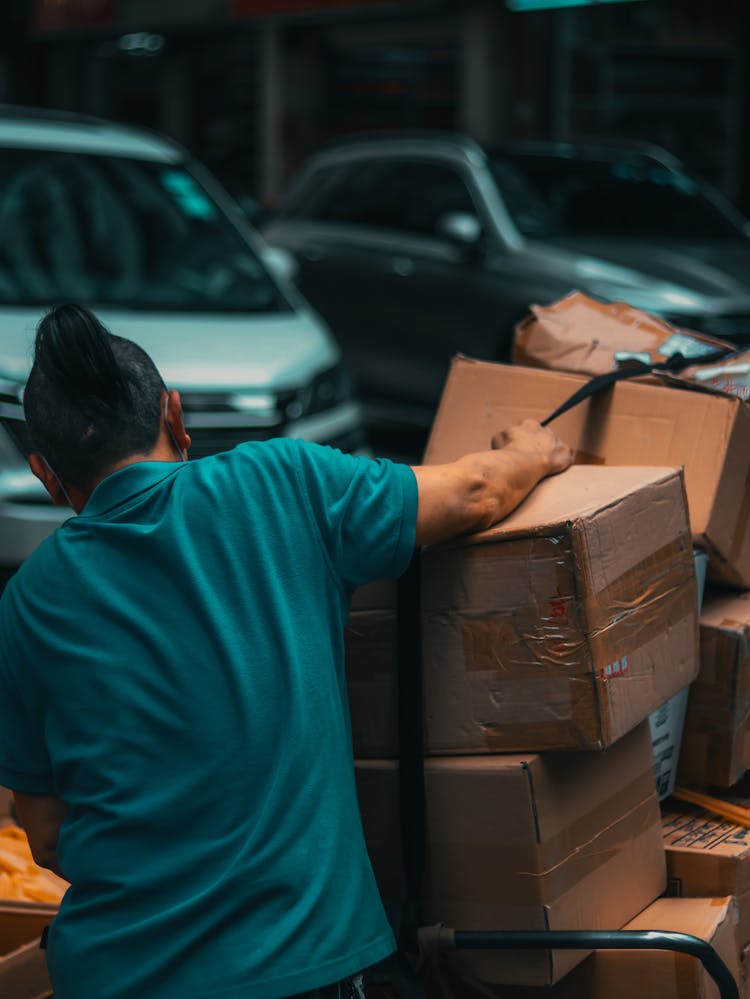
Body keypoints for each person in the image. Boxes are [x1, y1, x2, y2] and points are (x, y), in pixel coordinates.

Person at [0, 303, 572, 999]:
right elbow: (475, 492)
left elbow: (49, 837)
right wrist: (533, 449)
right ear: (175, 416)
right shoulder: (279, 482)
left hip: (115, 974)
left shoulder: (27, 604)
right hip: (301, 964)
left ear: (46, 474)